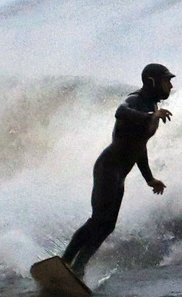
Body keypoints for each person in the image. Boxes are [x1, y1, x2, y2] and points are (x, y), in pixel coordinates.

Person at [61, 63, 174, 277]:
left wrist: (149, 179)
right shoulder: (135, 101)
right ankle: (65, 262)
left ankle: (78, 267)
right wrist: (150, 117)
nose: (170, 85)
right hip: (108, 168)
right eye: (167, 80)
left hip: (120, 174)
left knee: (107, 226)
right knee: (98, 220)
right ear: (151, 81)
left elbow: (139, 146)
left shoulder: (151, 106)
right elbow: (119, 111)